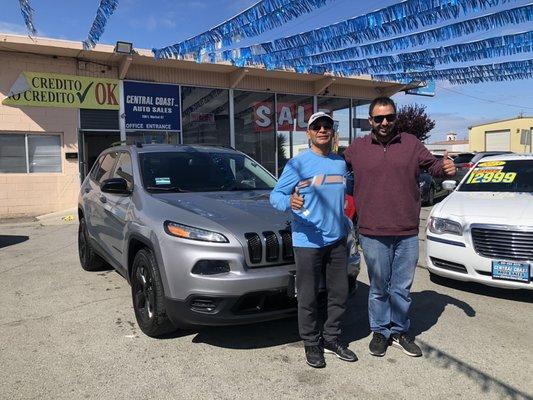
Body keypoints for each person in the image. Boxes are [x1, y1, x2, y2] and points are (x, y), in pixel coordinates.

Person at [343, 97, 456, 358]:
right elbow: (333, 169)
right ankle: (380, 331)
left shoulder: (411, 144)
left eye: (389, 117)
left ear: (396, 118)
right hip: (372, 231)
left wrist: (446, 168)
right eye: (379, 118)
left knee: (402, 288)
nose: (385, 122)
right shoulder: (357, 149)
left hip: (406, 230)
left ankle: (399, 330)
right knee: (379, 287)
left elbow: (434, 166)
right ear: (370, 121)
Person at [270, 111, 357, 368]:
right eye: (316, 126)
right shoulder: (297, 164)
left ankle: (331, 338)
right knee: (307, 296)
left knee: (339, 293)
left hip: (337, 240)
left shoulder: (339, 163)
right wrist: (289, 201)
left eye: (326, 126)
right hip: (307, 241)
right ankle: (311, 343)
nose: (322, 130)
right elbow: (275, 196)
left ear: (332, 131)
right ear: (308, 133)